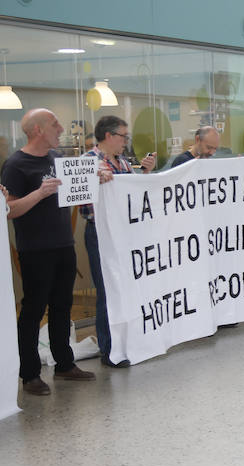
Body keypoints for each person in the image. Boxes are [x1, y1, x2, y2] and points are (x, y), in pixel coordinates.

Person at [1, 108, 95, 395]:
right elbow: (10, 210)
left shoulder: (58, 159)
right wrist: (39, 193)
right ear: (38, 130)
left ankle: (64, 364)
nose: (61, 128)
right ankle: (29, 374)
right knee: (33, 310)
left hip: (64, 244)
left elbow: (77, 190)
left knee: (62, 305)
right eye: (54, 124)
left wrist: (96, 178)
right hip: (36, 249)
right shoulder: (16, 165)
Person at [81, 115, 156, 367]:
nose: (126, 141)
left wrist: (145, 173)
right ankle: (109, 347)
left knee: (126, 288)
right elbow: (79, 199)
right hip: (101, 234)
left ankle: (128, 341)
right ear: (110, 136)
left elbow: (133, 197)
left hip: (125, 233)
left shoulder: (123, 162)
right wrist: (93, 181)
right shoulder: (88, 162)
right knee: (107, 289)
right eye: (124, 136)